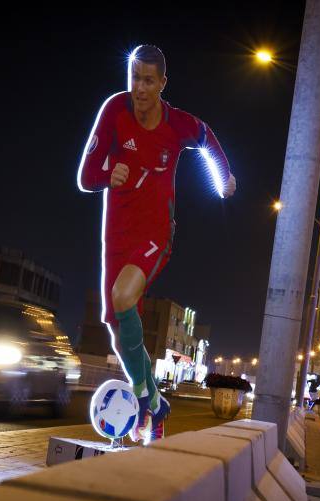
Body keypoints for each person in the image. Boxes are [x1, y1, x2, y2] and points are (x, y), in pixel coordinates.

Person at [77, 45, 236, 442]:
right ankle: (156, 405)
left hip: (155, 234)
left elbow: (207, 137)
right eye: (135, 78)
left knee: (122, 296)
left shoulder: (176, 124)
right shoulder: (114, 110)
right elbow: (86, 175)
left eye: (149, 80)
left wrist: (225, 177)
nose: (140, 88)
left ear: (163, 83)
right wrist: (109, 171)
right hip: (115, 235)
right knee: (115, 322)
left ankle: (147, 401)